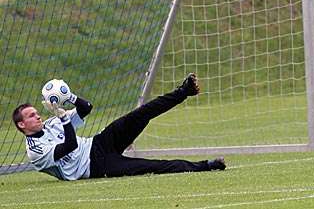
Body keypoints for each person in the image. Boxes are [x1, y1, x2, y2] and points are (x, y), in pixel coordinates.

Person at [12, 73, 226, 180]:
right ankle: (206, 166)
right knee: (153, 166)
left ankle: (184, 91)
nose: (38, 116)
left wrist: (70, 97)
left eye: (36, 112)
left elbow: (86, 108)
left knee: (141, 114)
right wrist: (63, 117)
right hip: (96, 167)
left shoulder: (51, 123)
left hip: (99, 142)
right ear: (22, 125)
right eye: (31, 116)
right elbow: (68, 146)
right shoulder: (35, 151)